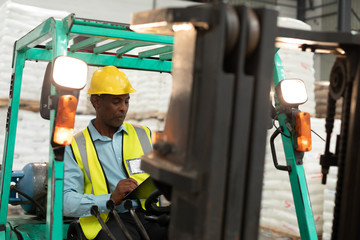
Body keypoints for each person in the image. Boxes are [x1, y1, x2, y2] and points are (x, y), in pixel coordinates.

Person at [63, 66, 168, 240]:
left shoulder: (144, 134)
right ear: (96, 101)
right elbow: (65, 201)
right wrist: (110, 198)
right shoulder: (74, 145)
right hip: (108, 218)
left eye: (126, 101)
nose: (123, 108)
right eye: (116, 101)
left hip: (148, 215)